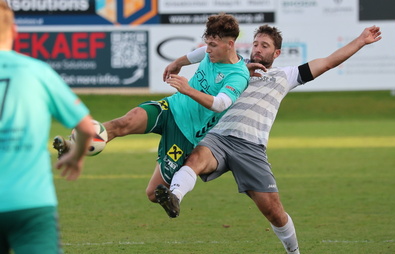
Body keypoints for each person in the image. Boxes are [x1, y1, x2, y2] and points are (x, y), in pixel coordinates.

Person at [154, 25, 382, 254]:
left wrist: (360, 41)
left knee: (273, 210)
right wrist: (179, 63)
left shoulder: (286, 76)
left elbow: (328, 62)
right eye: (255, 44)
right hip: (218, 137)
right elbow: (204, 53)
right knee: (196, 158)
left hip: (251, 147)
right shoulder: (236, 69)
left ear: (277, 53)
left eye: (265, 46)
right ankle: (174, 198)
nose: (258, 49)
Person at [53, 12, 250, 203]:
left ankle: (174, 198)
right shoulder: (212, 52)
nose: (208, 50)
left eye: (213, 46)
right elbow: (199, 53)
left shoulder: (238, 75)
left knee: (153, 193)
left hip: (186, 133)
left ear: (230, 44)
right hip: (170, 108)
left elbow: (221, 104)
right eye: (207, 44)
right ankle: (74, 146)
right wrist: (177, 63)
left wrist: (188, 89)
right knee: (125, 123)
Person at [0, 1, 95, 254]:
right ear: (15, 30)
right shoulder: (36, 71)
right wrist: (76, 156)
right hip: (31, 202)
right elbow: (87, 128)